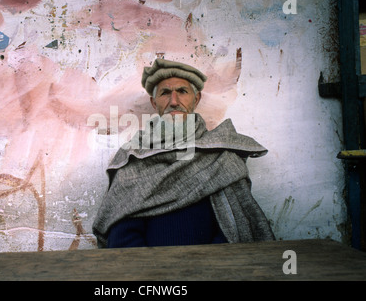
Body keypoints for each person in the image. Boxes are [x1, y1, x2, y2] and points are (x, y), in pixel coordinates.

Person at [92, 58, 275, 248]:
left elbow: (236, 226)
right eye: (165, 93)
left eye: (182, 91)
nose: (173, 101)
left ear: (196, 99)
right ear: (154, 103)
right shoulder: (133, 157)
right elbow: (122, 234)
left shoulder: (222, 156)